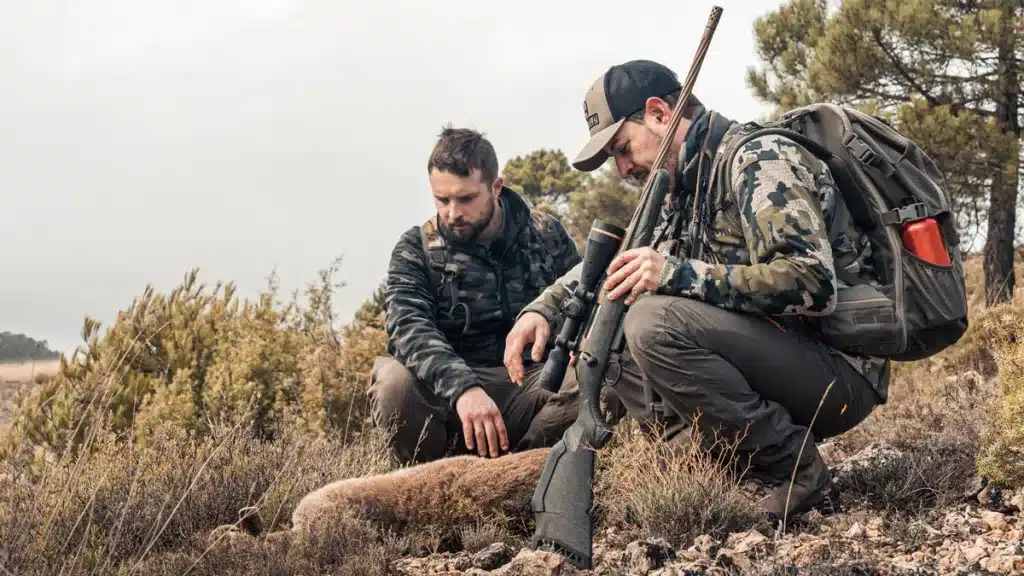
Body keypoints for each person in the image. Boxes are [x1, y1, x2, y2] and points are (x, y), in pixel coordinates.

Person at [504, 60, 888, 521]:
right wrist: (544, 309)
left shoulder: (758, 159)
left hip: (837, 370)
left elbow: (810, 282)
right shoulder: (684, 190)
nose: (622, 167)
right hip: (780, 359)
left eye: (623, 148)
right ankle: (709, 464)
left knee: (651, 321)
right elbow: (622, 261)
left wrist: (675, 274)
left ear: (660, 114)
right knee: (613, 327)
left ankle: (792, 468)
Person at [369, 125, 584, 465]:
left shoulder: (545, 235)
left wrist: (579, 345)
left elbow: (582, 300)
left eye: (466, 198)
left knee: (596, 372)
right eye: (442, 199)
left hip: (532, 385)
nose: (453, 213)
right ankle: (433, 485)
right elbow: (408, 329)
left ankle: (528, 474)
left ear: (496, 187)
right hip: (452, 394)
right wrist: (463, 388)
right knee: (394, 383)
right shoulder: (416, 248)